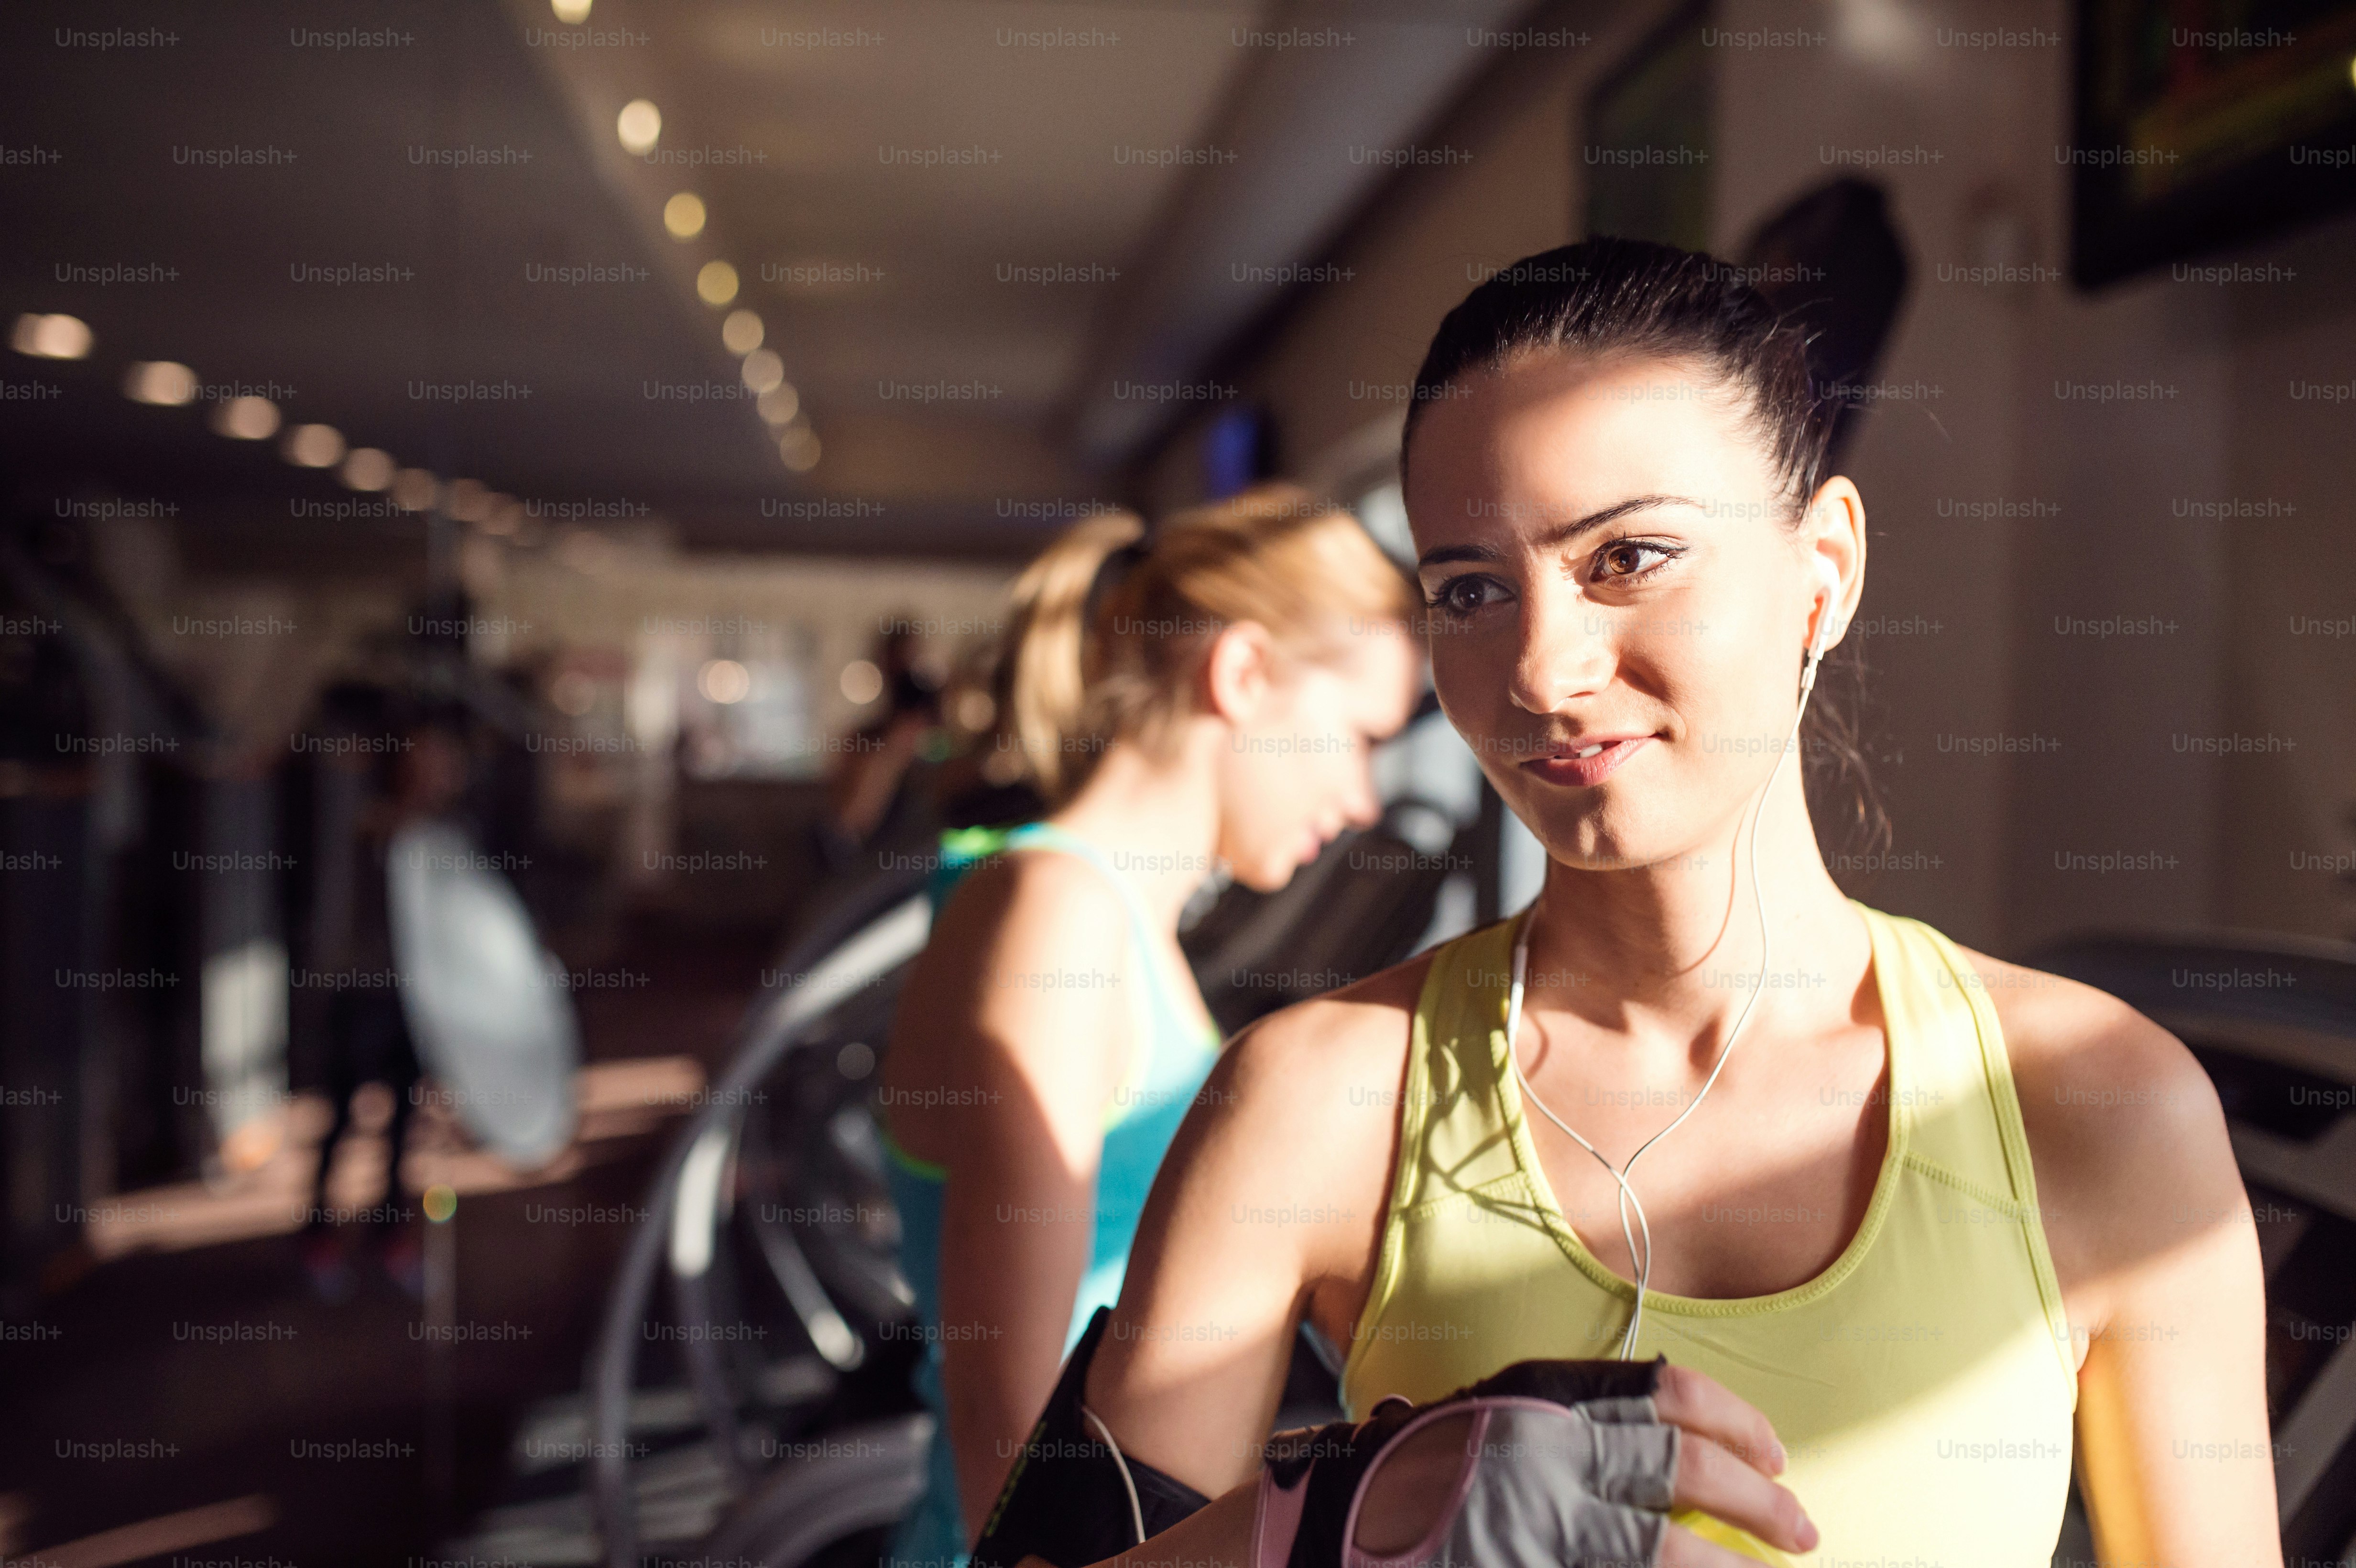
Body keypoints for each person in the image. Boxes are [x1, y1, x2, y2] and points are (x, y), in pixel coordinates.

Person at [978, 239, 2278, 1568]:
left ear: (1824, 568)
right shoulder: (1317, 1099)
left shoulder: (2099, 1104)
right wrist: (1355, 1516)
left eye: (1631, 557)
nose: (1541, 669)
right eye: (1471, 590)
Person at [876, 484, 1425, 1568]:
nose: (1364, 797)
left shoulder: (1098, 911)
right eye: (1359, 735)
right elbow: (1013, 1428)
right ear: (1244, 672)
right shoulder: (1057, 914)